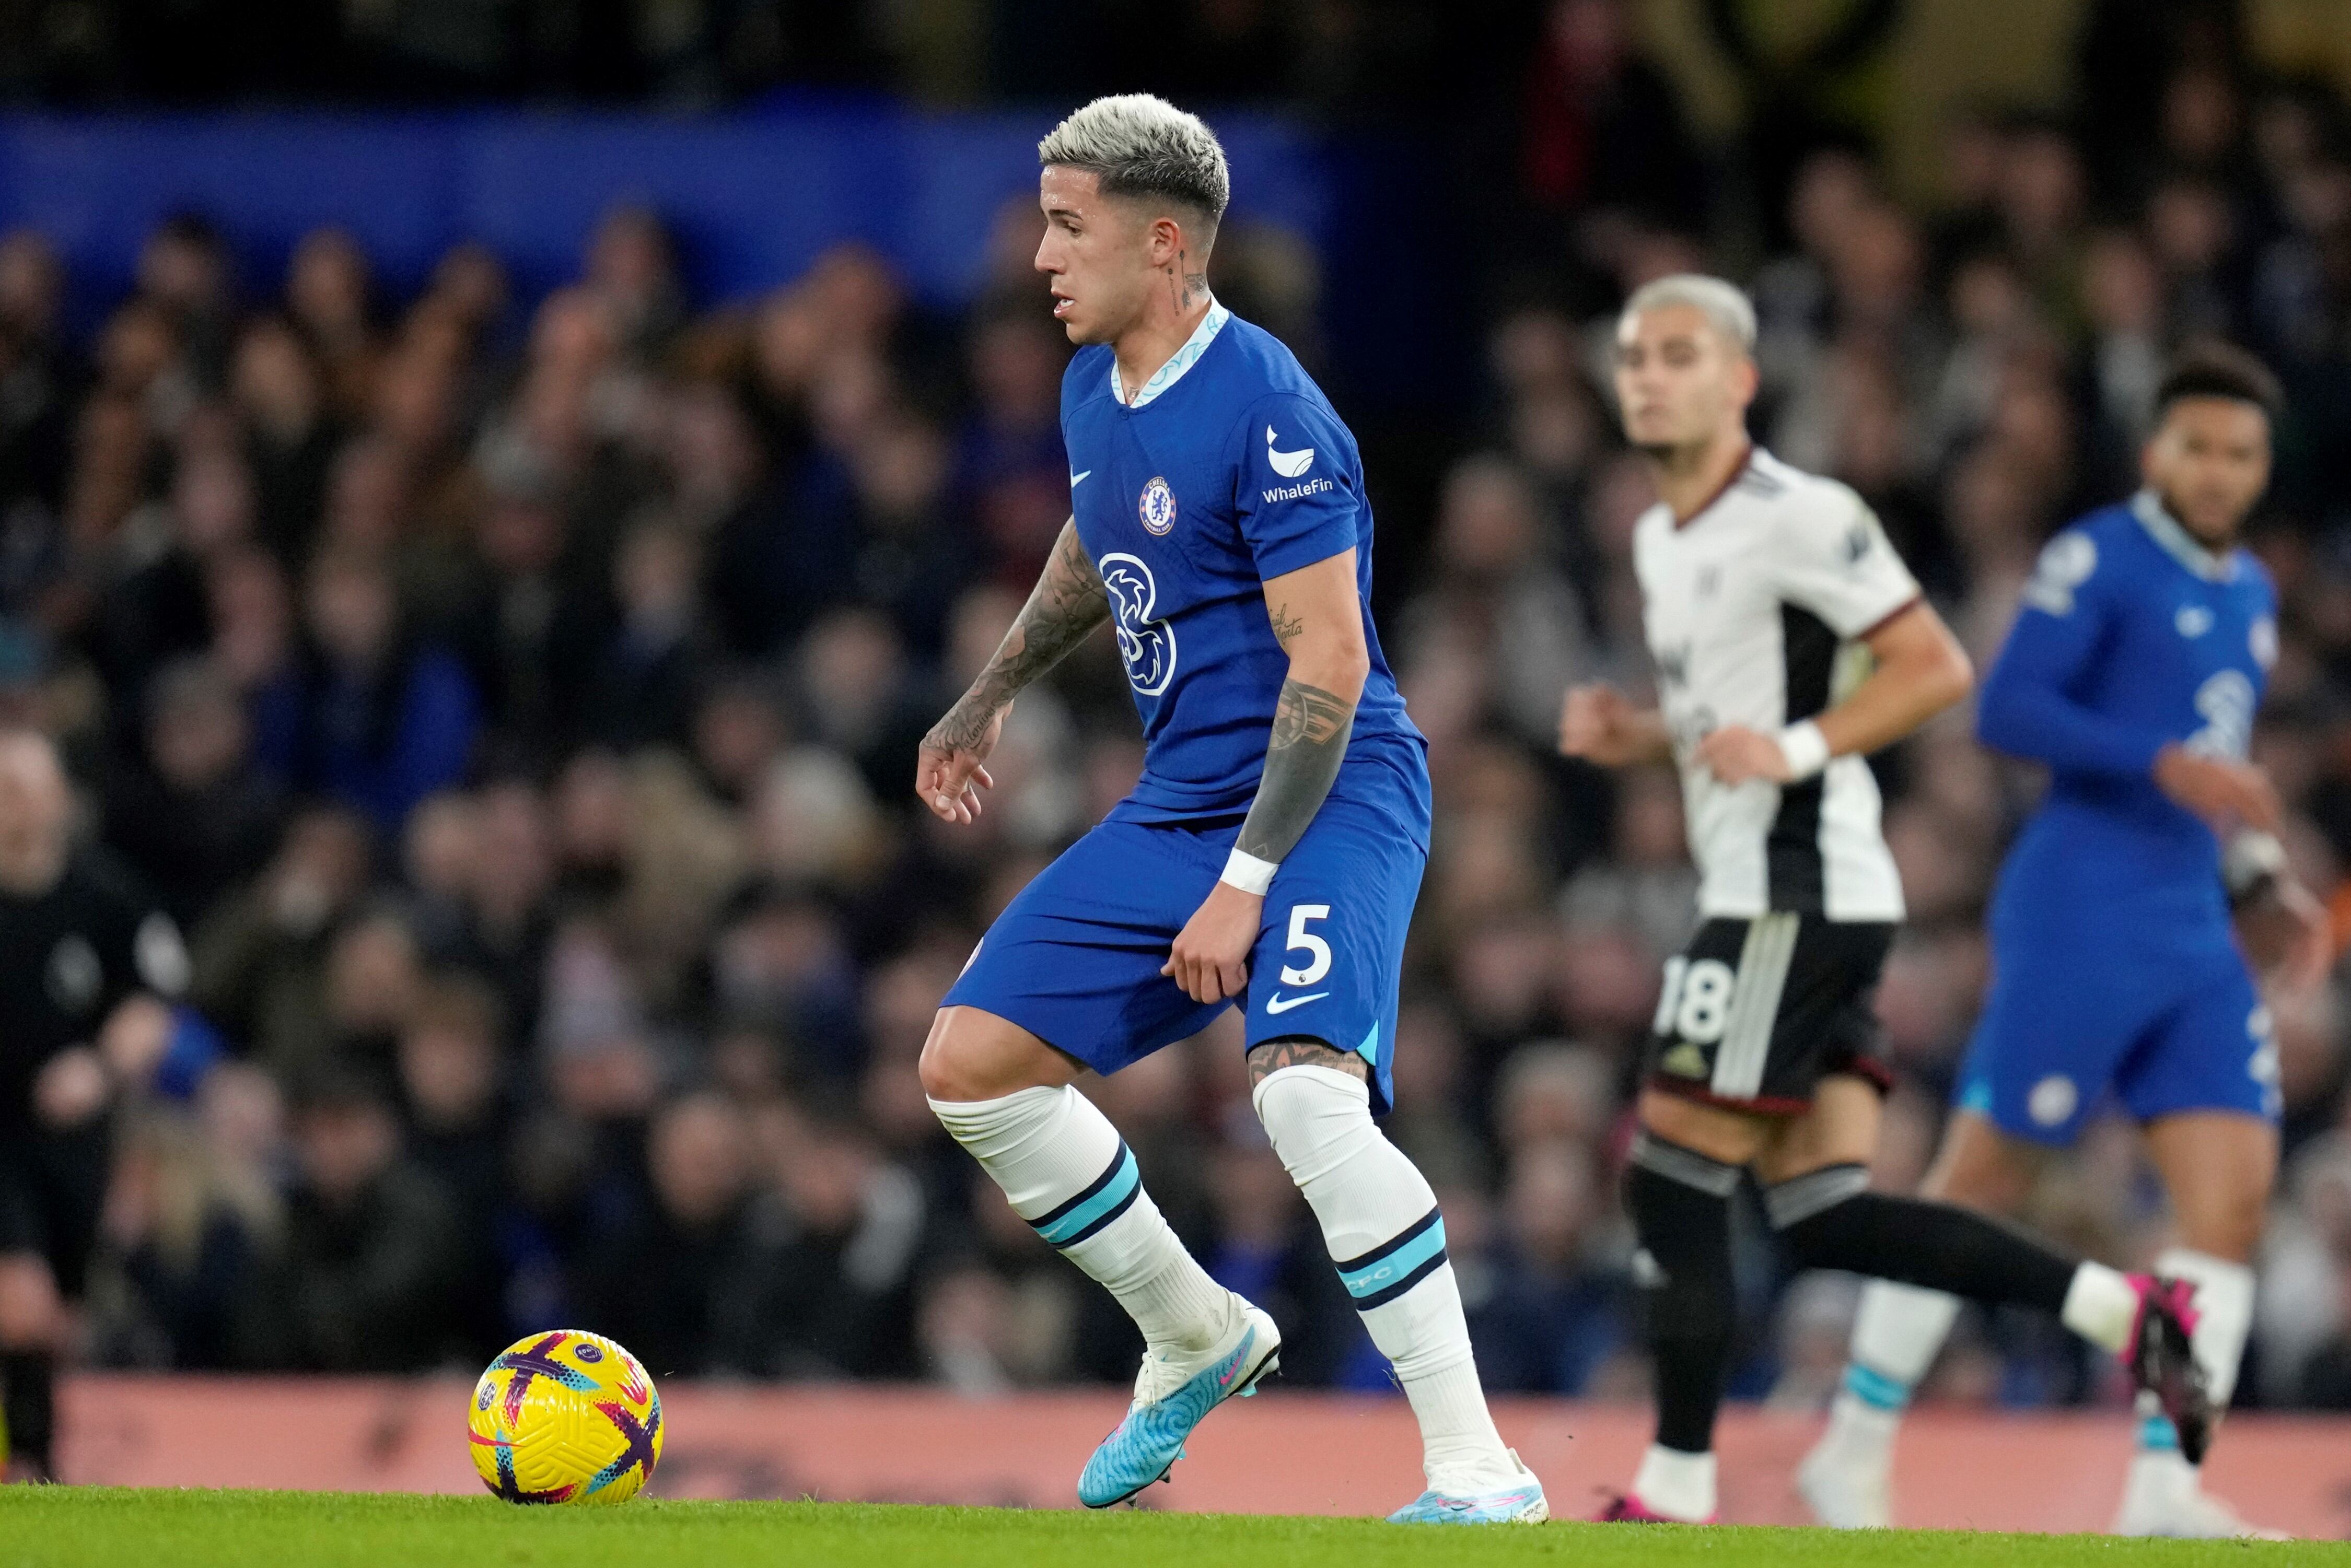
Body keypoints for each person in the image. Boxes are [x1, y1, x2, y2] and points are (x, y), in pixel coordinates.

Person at [913, 95, 1545, 1524]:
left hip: (1324, 792)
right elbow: (1100, 533)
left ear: (1161, 243)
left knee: (1308, 1099)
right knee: (969, 1065)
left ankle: (1479, 1468)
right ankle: (1197, 1332)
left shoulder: (1272, 409)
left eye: (1067, 227)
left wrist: (1246, 882)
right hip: (1186, 796)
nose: (1038, 258)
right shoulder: (1094, 382)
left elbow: (1328, 658)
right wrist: (992, 685)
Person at [1558, 274, 2208, 1526]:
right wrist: (1643, 736)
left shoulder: (1801, 512)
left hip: (1790, 891)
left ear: (1741, 379)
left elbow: (1935, 666)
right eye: (1634, 357)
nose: (1647, 376)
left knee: (1673, 1178)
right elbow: (1730, 719)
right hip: (1791, 885)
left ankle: (1676, 1491)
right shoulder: (1661, 535)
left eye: (1679, 355)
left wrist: (1798, 753)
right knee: (1824, 1213)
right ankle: (2131, 1314)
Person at [1799, 345, 2328, 1540]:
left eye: (2240, 453)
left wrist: (2262, 872)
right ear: (2157, 452)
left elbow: (2212, 762)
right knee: (1986, 1177)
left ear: (2257, 470)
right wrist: (2158, 762)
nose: (2217, 469)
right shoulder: (2100, 556)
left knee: (2230, 1203)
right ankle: (1853, 1446)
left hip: (2192, 924)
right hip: (2081, 909)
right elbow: (2007, 705)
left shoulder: (2246, 588)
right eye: (2197, 445)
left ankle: (2166, 1488)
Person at [0, 731, 189, 1480]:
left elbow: (155, 1002)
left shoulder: (106, 897)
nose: (13, 807)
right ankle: (33, 1462)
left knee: (60, 1315)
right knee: (22, 1295)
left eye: (25, 790)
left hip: (72, 1137)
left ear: (58, 802)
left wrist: (99, 1067)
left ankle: (37, 1458)